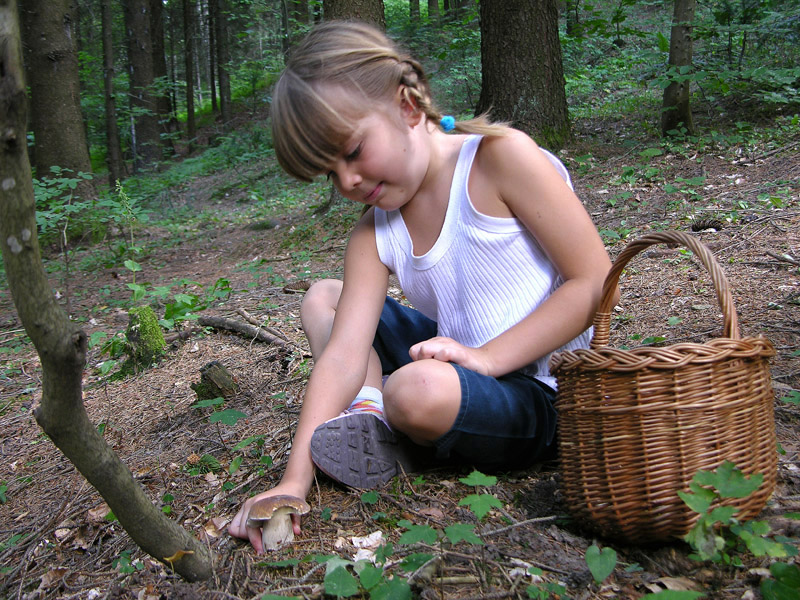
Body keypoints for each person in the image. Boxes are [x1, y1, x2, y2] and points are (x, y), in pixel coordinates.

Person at [229, 20, 616, 553]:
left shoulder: (500, 159)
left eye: (353, 151)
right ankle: (372, 419)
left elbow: (594, 282)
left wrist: (485, 359)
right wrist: (294, 480)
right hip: (461, 364)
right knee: (325, 297)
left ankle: (404, 421)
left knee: (415, 390)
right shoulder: (374, 231)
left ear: (408, 106)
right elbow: (343, 355)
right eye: (329, 173)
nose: (347, 182)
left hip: (547, 392)